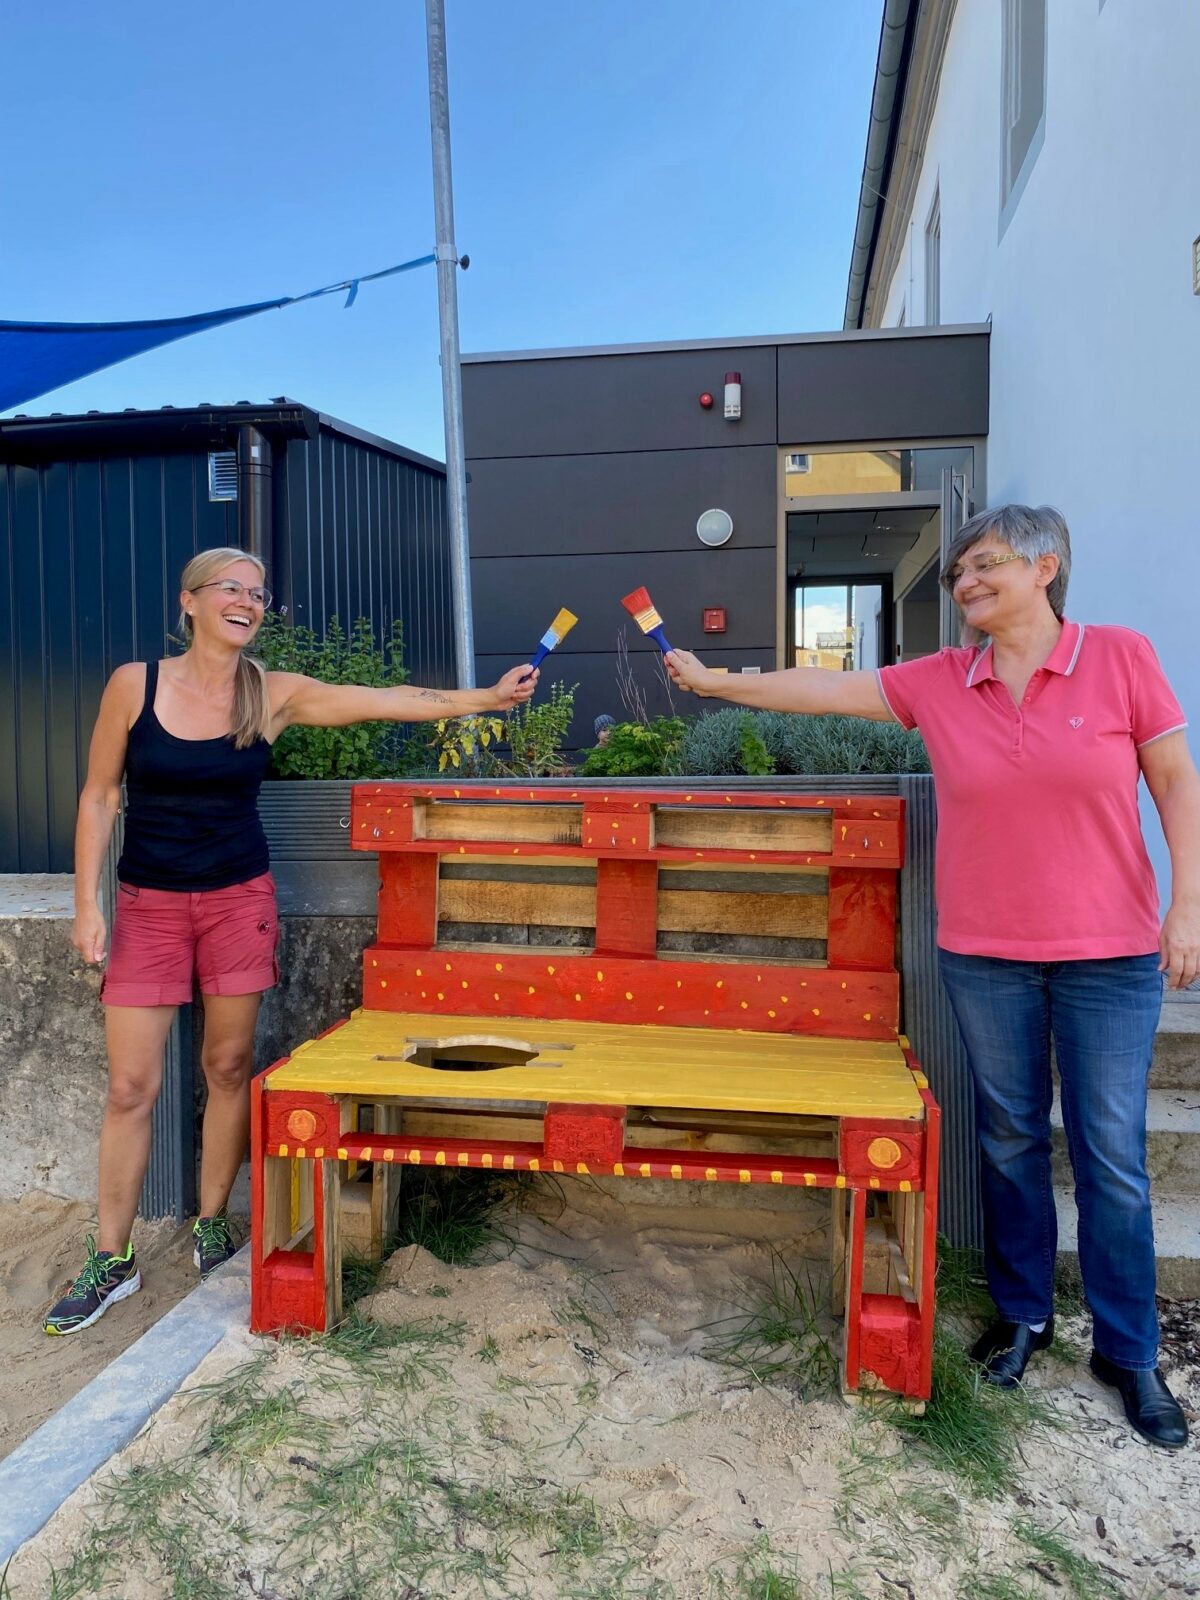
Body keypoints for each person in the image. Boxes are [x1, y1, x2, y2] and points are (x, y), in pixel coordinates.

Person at [666, 504, 1198, 1450]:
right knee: (1008, 1137)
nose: (965, 585)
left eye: (984, 565)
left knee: (1111, 1154)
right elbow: (826, 692)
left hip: (1111, 954)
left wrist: (1186, 906)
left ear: (1046, 566)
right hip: (986, 951)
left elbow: (1174, 783)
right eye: (958, 574)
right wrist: (718, 681)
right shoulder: (943, 681)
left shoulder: (1120, 657)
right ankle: (1024, 1315)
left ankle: (1129, 1348)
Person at [46, 546, 537, 1336]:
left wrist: (482, 697)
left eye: (259, 592)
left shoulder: (270, 693)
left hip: (239, 901)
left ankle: (211, 1221)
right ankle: (112, 1257)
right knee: (130, 1088)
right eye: (232, 588)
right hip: (148, 906)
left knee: (229, 1065)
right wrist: (86, 904)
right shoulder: (133, 685)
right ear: (190, 602)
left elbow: (384, 700)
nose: (249, 600)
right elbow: (100, 797)